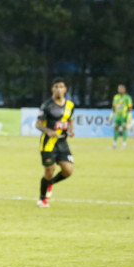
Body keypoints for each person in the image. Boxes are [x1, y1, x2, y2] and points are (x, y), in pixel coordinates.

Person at [35, 77, 75, 208]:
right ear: (52, 89)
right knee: (49, 170)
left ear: (65, 89)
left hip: (63, 143)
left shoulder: (70, 105)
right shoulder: (47, 105)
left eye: (61, 87)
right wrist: (48, 131)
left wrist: (71, 129)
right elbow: (38, 124)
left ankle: (50, 183)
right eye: (56, 87)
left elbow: (70, 119)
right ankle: (42, 199)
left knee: (68, 171)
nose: (58, 89)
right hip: (48, 143)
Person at [110, 83, 133, 149]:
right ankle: (115, 144)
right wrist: (112, 113)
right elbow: (114, 106)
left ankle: (124, 144)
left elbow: (130, 107)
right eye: (119, 89)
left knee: (124, 129)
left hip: (124, 116)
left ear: (124, 90)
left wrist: (130, 115)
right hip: (117, 116)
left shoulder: (127, 97)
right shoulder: (116, 97)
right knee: (116, 128)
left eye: (121, 89)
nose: (120, 90)